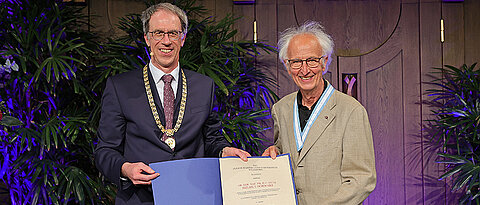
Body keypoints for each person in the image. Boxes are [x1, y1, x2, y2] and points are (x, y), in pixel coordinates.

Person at [94, 3, 250, 204]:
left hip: (194, 196)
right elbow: (104, 150)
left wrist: (224, 150)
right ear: (147, 39)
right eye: (158, 33)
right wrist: (125, 168)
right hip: (139, 198)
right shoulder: (120, 87)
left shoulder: (205, 86)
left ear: (183, 38)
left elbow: (212, 139)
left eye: (173, 34)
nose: (166, 41)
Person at [262, 21, 376, 204]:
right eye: (297, 62)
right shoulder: (280, 108)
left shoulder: (351, 110)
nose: (305, 70)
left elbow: (362, 179)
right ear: (287, 65)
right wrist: (274, 153)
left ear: (324, 62)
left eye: (312, 60)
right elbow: (288, 154)